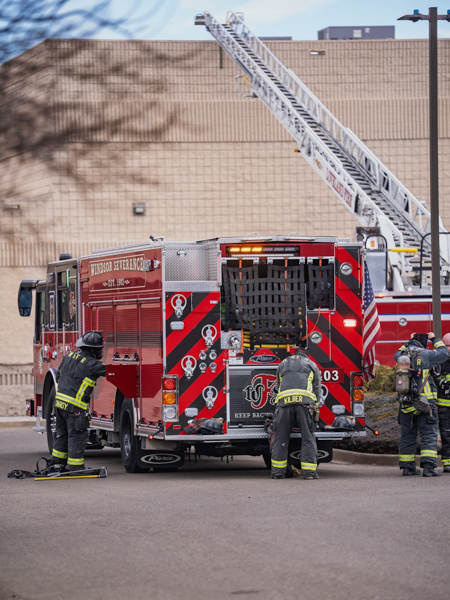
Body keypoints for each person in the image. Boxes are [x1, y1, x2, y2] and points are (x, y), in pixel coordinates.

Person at [49, 331, 107, 471]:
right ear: (92, 350)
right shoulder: (92, 364)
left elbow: (58, 377)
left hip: (59, 404)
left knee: (62, 435)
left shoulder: (68, 356)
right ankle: (75, 466)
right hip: (75, 408)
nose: (100, 352)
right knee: (77, 435)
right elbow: (110, 371)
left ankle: (57, 464)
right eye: (99, 349)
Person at [394, 332, 449, 477]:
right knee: (429, 435)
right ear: (424, 344)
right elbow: (445, 353)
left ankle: (407, 468)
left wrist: (408, 341)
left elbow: (396, 353)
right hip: (425, 404)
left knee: (407, 435)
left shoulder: (401, 356)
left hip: (406, 404)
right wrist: (434, 339)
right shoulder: (427, 355)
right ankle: (429, 468)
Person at [270, 345, 321, 480]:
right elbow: (317, 388)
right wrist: (316, 408)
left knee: (281, 439)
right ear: (306, 355)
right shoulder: (311, 364)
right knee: (308, 438)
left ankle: (278, 473)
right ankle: (309, 474)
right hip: (305, 405)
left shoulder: (282, 364)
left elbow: (278, 386)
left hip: (284, 405)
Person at [433, 332, 450, 473]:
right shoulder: (439, 359)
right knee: (446, 434)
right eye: (447, 346)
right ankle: (447, 462)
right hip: (444, 405)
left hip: (444, 405)